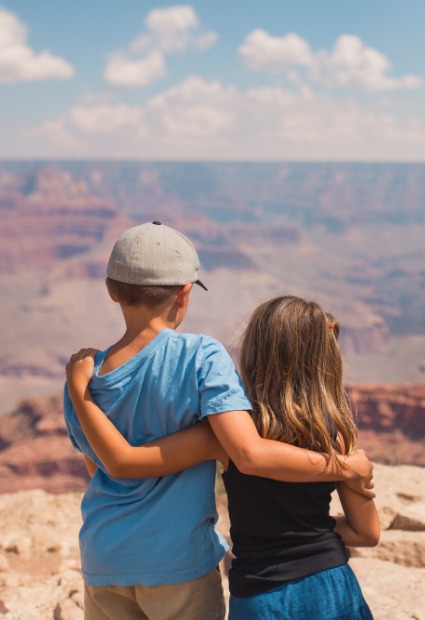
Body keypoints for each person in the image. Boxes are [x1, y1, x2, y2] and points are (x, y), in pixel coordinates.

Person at [63, 222, 374, 620]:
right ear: (184, 292)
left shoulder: (84, 375)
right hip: (177, 560)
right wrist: (345, 465)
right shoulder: (200, 356)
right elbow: (248, 451)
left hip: (104, 558)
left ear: (111, 289)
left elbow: (101, 466)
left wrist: (80, 393)